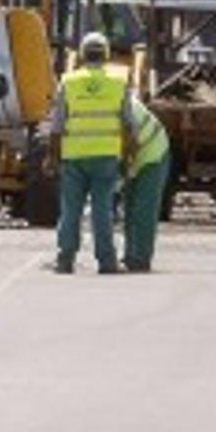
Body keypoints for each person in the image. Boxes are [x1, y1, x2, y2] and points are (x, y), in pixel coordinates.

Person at [50, 29, 131, 275]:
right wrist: (127, 157)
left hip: (73, 157)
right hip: (106, 157)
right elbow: (128, 124)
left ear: (83, 55)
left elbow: (56, 126)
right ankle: (106, 262)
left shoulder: (68, 82)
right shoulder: (119, 81)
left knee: (70, 210)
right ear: (106, 55)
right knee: (102, 211)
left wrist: (52, 157)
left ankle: (65, 259)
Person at [122, 92, 170, 273]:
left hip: (153, 152)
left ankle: (141, 258)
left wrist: (125, 167)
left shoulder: (124, 106)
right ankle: (129, 255)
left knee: (144, 207)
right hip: (134, 152)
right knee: (130, 205)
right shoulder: (111, 101)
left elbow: (132, 142)